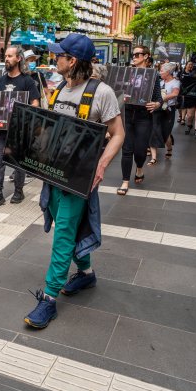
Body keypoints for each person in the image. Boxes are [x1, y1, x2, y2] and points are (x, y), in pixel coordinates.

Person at [24, 33, 124, 329]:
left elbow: (118, 133)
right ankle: (86, 273)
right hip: (54, 172)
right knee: (64, 222)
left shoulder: (102, 92)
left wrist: (102, 165)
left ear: (73, 61)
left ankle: (49, 299)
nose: (55, 59)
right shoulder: (58, 90)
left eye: (59, 55)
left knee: (65, 231)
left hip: (80, 177)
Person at [0, 46, 40, 209]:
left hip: (19, 130)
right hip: (1, 130)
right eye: (5, 56)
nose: (6, 58)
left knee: (18, 161)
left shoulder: (27, 81)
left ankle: (18, 191)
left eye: (10, 56)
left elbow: (35, 103)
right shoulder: (1, 81)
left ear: (18, 59)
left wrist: (29, 113)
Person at [117, 46, 163, 196]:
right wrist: (119, 96)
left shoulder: (153, 75)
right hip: (128, 114)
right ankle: (125, 181)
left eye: (138, 54)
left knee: (140, 150)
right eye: (133, 54)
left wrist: (156, 104)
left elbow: (158, 98)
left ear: (146, 56)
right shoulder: (126, 73)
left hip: (144, 116)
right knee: (127, 149)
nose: (134, 57)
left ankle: (139, 168)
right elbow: (118, 90)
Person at [148, 62, 180, 163]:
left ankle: (169, 148)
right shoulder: (159, 82)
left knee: (166, 133)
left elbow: (175, 93)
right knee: (154, 130)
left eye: (161, 71)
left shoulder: (175, 82)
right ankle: (154, 158)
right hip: (157, 110)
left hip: (169, 110)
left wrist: (161, 99)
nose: (159, 72)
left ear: (168, 72)